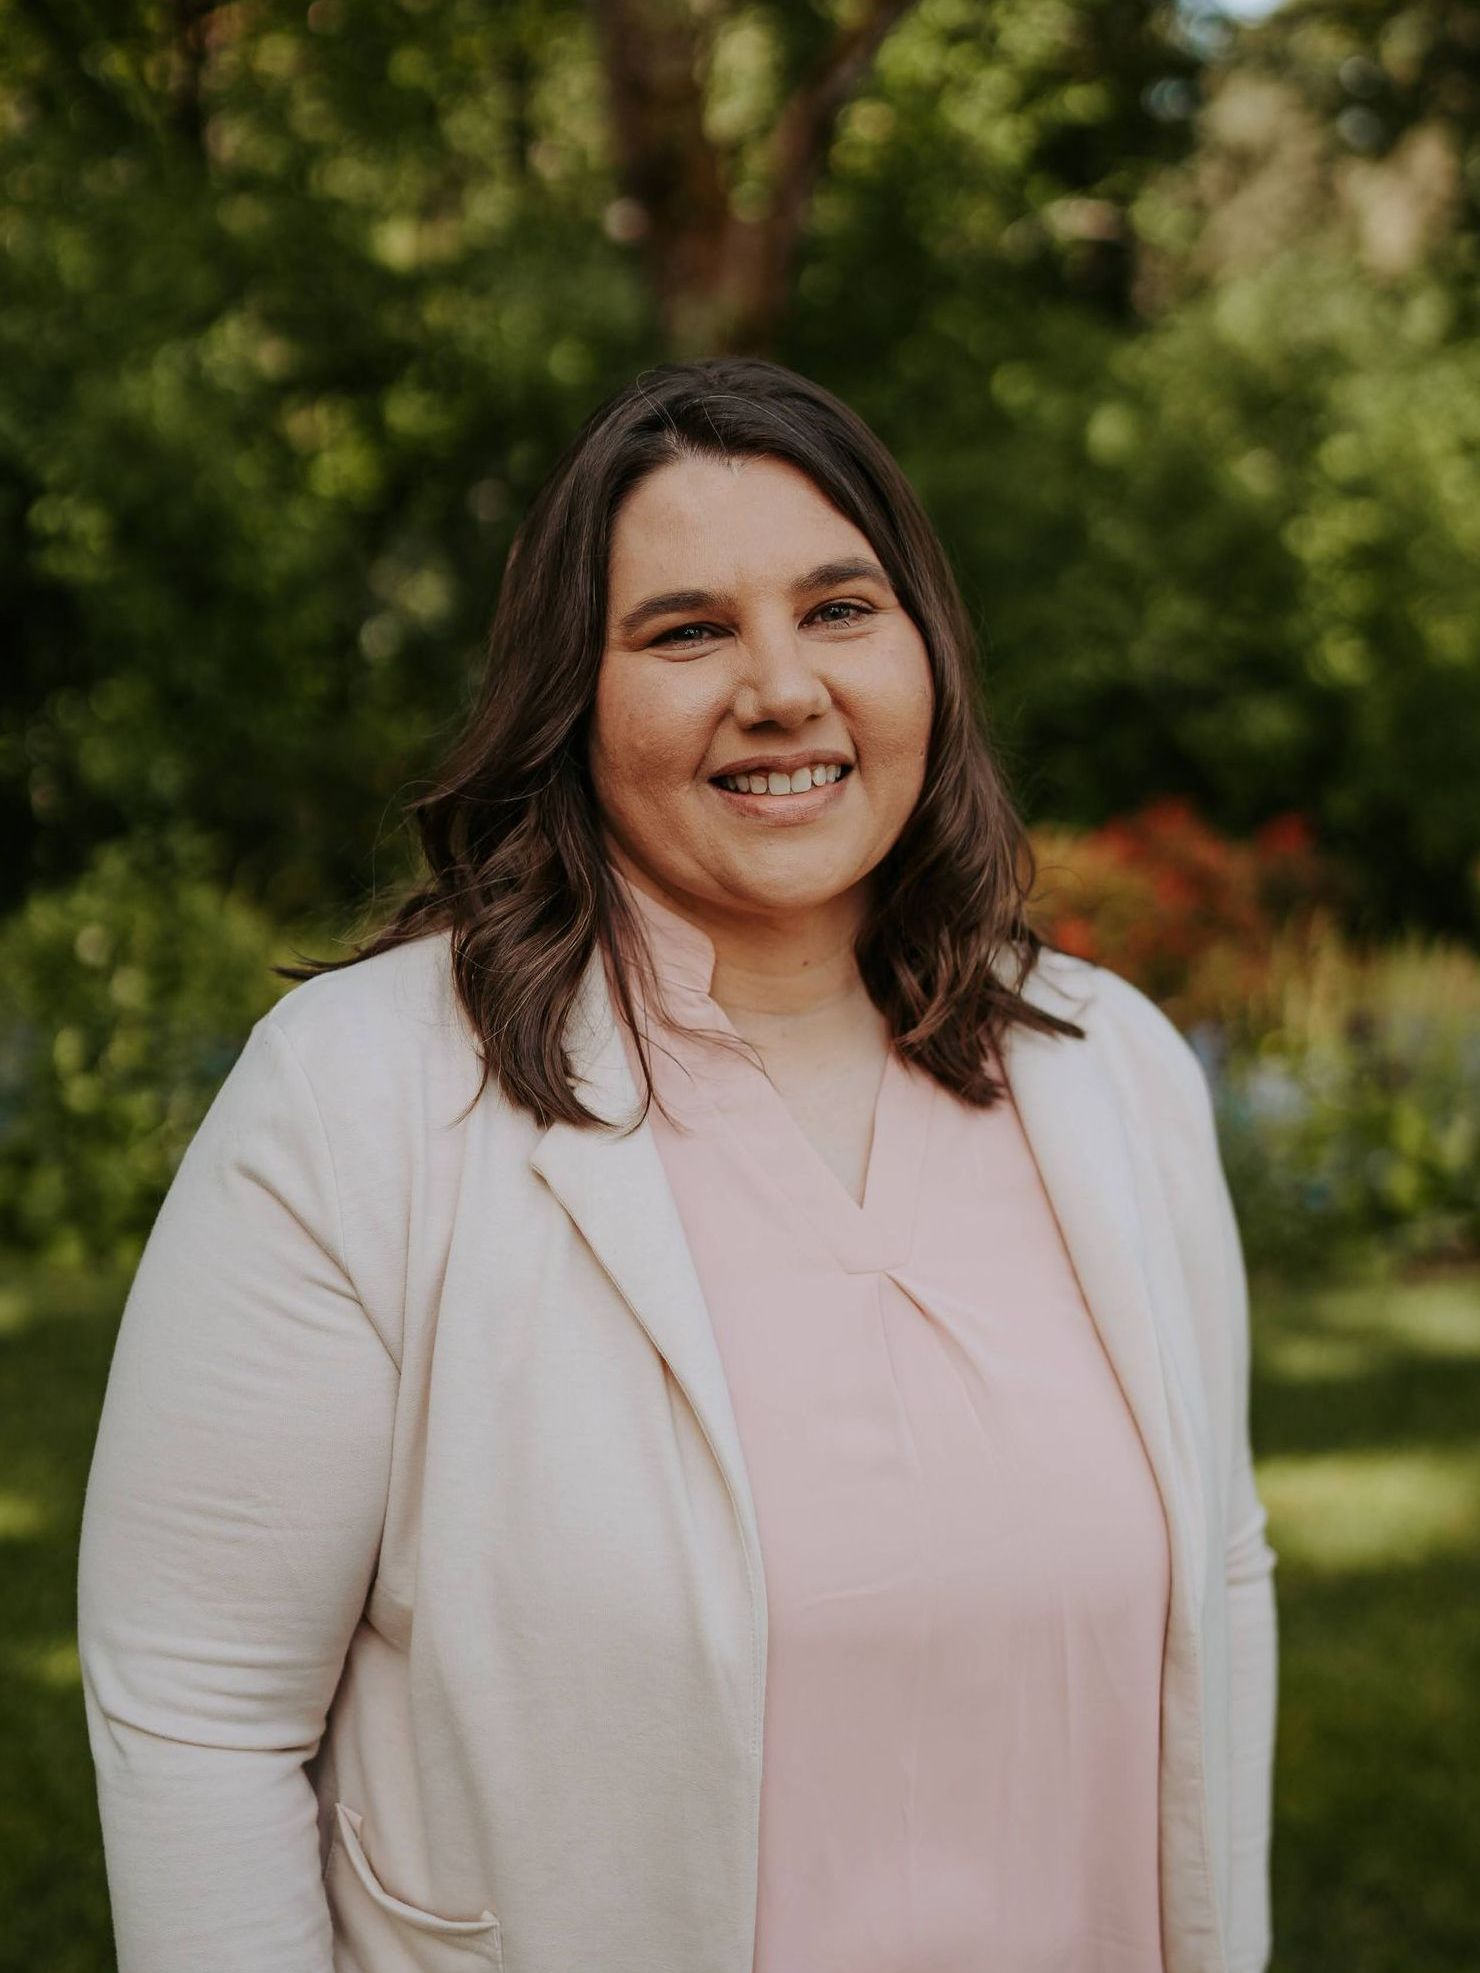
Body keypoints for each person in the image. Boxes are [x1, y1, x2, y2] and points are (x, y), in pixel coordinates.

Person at [77, 356, 1278, 1973]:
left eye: (841, 608)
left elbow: (1218, 1568)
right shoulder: (363, 1096)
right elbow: (198, 1705)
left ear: (926, 652)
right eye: (688, 629)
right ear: (572, 697)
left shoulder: (1111, 1067)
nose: (782, 688)